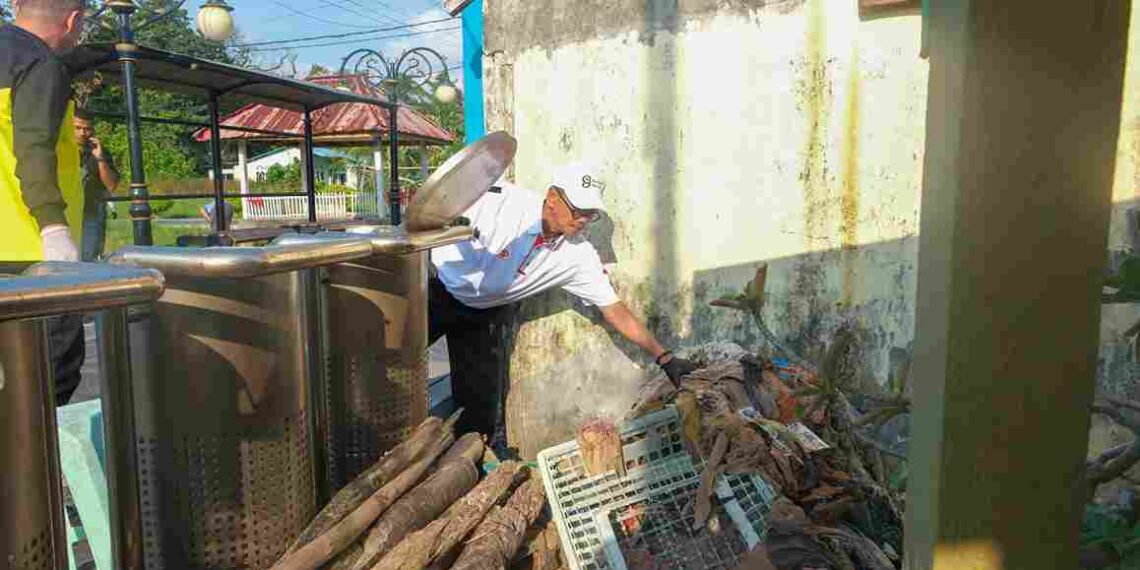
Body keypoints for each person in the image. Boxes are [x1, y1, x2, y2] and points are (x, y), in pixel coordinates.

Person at [430, 163, 697, 443]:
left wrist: (665, 358)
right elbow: (434, 211)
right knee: (392, 364)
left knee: (477, 410)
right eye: (578, 210)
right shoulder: (500, 203)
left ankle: (463, 462)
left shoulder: (577, 256)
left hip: (483, 315)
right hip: (434, 287)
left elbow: (615, 310)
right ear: (553, 198)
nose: (582, 219)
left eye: (590, 214)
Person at [1, 0, 88, 406]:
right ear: (73, 20)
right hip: (31, 252)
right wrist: (54, 228)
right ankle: (37, 468)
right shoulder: (42, 64)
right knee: (48, 376)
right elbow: (33, 150)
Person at [75, 107, 120, 261]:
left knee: (89, 256)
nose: (82, 133)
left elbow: (111, 185)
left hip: (91, 211)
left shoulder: (101, 152)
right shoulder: (60, 149)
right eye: (78, 128)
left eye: (87, 129)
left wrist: (100, 158)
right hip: (66, 210)